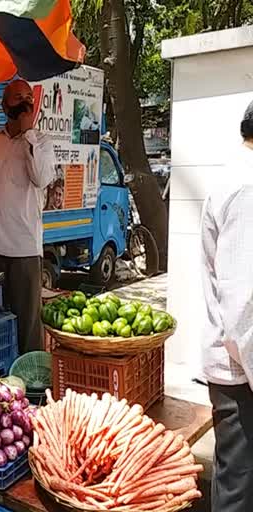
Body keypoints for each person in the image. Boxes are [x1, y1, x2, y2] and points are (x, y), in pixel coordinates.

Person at [0, 79, 54, 354]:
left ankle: (31, 383)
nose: (25, 102)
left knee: (27, 322)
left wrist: (29, 135)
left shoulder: (41, 142)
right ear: (5, 106)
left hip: (25, 248)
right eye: (18, 98)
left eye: (29, 97)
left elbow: (41, 178)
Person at [199, 100, 253, 512]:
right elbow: (244, 302)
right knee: (237, 488)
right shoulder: (246, 188)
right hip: (241, 372)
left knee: (233, 479)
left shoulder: (233, 178)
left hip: (237, 366)